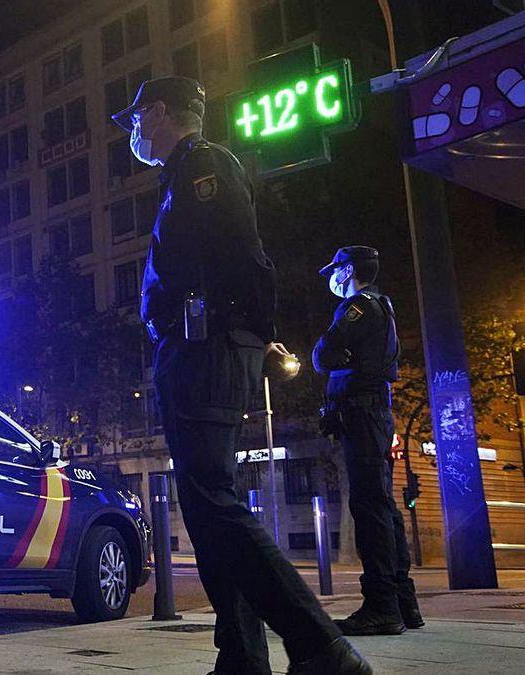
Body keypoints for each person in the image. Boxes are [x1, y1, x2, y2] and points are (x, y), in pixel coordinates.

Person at [113, 77, 370, 675]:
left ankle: (321, 648)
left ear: (156, 112)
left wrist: (241, 331)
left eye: (135, 119)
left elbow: (246, 259)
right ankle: (242, 655)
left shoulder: (203, 168)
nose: (133, 132)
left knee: (213, 502)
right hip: (200, 348)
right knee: (206, 510)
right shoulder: (182, 173)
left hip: (206, 351)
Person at [313, 246, 423, 635]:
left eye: (335, 270)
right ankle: (402, 601)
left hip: (363, 414)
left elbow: (323, 354)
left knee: (370, 507)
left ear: (348, 271)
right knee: (383, 505)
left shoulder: (358, 306)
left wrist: (335, 358)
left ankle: (382, 608)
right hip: (373, 413)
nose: (332, 278)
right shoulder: (382, 306)